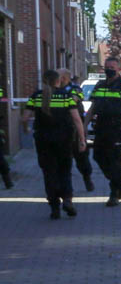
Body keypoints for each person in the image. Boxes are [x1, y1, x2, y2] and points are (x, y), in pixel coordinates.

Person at [26, 68, 84, 218]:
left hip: (43, 141)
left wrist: (26, 128)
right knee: (65, 171)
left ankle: (54, 207)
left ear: (44, 80)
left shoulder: (36, 96)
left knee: (49, 172)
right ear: (58, 80)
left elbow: (24, 118)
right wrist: (82, 139)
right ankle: (67, 199)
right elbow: (77, 120)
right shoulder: (66, 96)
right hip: (64, 140)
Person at [87, 58, 121, 205]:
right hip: (101, 127)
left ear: (119, 69)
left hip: (118, 127)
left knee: (116, 161)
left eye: (112, 67)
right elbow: (92, 108)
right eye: (107, 67)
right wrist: (84, 126)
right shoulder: (100, 85)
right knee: (98, 156)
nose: (109, 69)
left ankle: (114, 194)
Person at [56, 69, 95, 193]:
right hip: (59, 129)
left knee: (81, 157)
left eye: (58, 76)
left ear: (64, 78)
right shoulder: (53, 89)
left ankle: (87, 176)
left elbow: (75, 99)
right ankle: (65, 187)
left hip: (75, 128)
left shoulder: (76, 89)